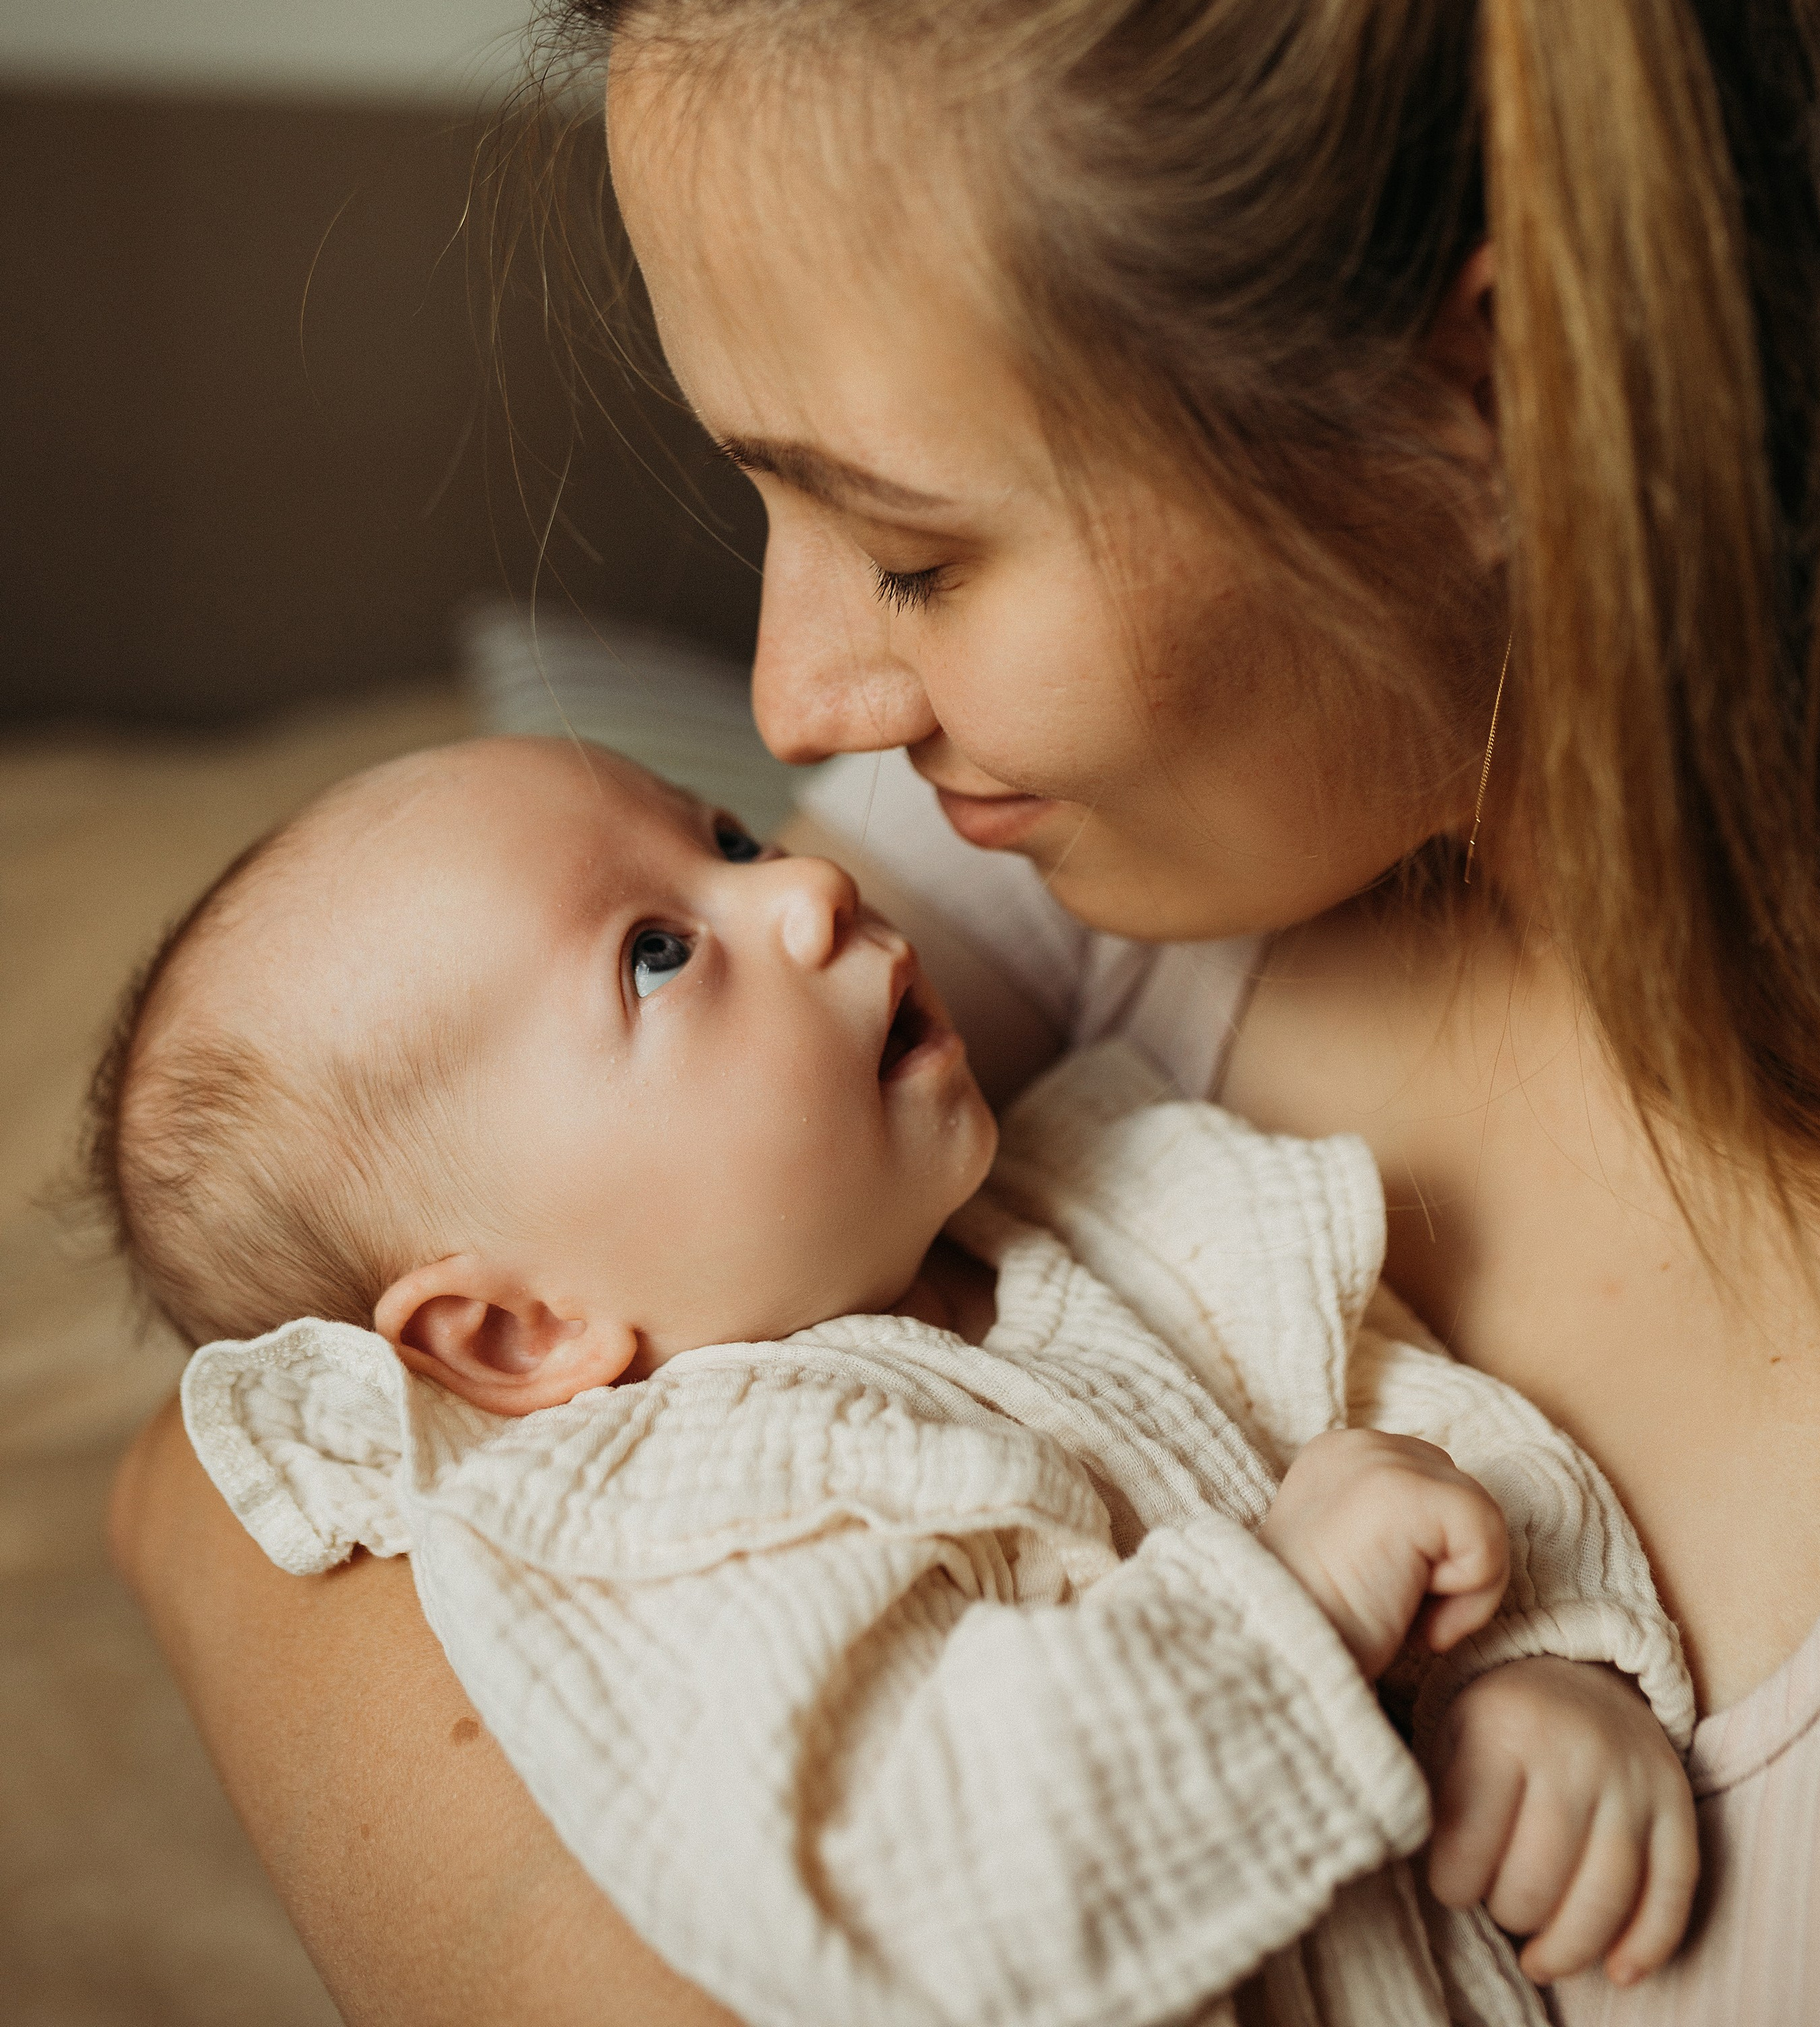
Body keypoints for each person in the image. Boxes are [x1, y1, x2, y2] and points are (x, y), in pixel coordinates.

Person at [109, 0, 1820, 2026]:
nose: (802, 719)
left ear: (1504, 403)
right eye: (771, 509)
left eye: (915, 544)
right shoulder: (1044, 924)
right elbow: (234, 1466)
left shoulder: (1053, 1015)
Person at [92, 732, 1696, 2021]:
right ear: (517, 1334)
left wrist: (1543, 1663)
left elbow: (1404, 1411)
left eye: (723, 839)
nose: (801, 888)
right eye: (656, 957)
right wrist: (1300, 1603)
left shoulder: (1108, 1190)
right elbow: (928, 1885)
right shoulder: (674, 1529)